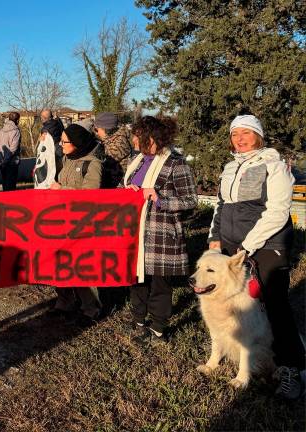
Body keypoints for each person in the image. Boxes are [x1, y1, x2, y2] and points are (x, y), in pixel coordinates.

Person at [208, 114, 304, 399]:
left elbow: (277, 211)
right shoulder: (229, 167)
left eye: (245, 133)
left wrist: (248, 246)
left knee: (274, 304)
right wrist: (215, 237)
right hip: (232, 247)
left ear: (258, 136)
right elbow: (221, 206)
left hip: (266, 245)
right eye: (234, 133)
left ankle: (293, 369)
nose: (239, 138)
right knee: (234, 303)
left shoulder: (273, 166)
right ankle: (242, 349)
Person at [123, 116, 197, 345]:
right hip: (136, 233)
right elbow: (123, 188)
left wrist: (160, 198)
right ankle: (138, 320)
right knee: (137, 280)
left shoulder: (176, 163)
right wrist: (127, 190)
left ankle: (157, 328)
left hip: (161, 236)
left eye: (137, 135)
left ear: (151, 138)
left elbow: (190, 200)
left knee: (159, 285)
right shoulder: (137, 161)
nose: (133, 139)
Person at [47, 124, 103, 326]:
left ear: (77, 143)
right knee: (59, 262)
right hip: (61, 220)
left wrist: (63, 190)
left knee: (82, 265)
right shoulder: (65, 159)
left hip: (81, 223)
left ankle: (91, 308)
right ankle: (64, 301)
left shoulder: (93, 163)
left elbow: (91, 195)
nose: (61, 145)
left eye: (65, 141)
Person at [93, 112, 132, 188]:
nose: (96, 133)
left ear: (106, 129)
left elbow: (102, 164)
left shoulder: (119, 142)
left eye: (96, 129)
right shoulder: (110, 139)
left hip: (116, 186)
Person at [0, 111, 21, 191]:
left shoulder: (1, 131)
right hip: (12, 162)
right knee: (11, 186)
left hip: (2, 162)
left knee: (4, 184)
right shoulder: (16, 131)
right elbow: (13, 149)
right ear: (17, 120)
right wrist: (5, 161)